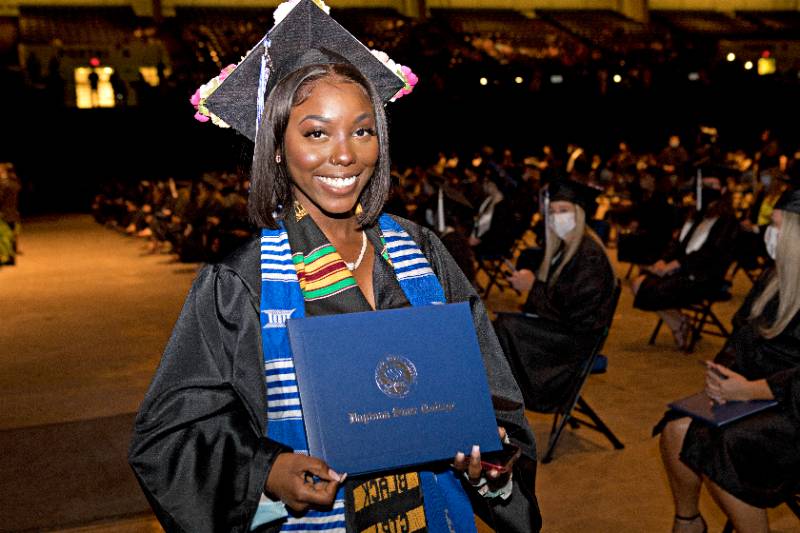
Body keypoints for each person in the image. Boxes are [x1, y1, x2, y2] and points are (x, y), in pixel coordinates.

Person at [128, 2, 541, 532]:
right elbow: (169, 437)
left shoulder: (425, 254)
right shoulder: (241, 284)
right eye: (316, 133)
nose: (345, 155)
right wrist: (269, 472)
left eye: (362, 131)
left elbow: (494, 398)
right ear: (277, 147)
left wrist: (490, 456)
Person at [657, 188, 800, 533]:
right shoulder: (775, 277)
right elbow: (741, 334)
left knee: (722, 449)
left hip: (791, 407)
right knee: (675, 430)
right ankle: (688, 521)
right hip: (759, 395)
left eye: (778, 226)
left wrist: (752, 390)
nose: (769, 234)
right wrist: (724, 373)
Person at [493, 179, 616, 412]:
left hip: (576, 341)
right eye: (551, 212)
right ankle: (501, 399)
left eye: (564, 211)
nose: (556, 217)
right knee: (499, 327)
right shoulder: (564, 249)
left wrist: (534, 287)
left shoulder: (589, 256)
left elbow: (578, 313)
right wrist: (534, 285)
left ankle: (505, 401)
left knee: (504, 328)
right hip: (563, 330)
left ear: (579, 213)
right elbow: (558, 299)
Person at [631, 176, 739, 351]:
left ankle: (679, 325)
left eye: (712, 185)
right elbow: (678, 245)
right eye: (703, 185)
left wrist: (675, 265)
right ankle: (679, 323)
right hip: (683, 270)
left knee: (651, 289)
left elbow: (710, 254)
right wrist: (663, 260)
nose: (706, 189)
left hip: (705, 276)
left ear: (724, 190)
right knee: (638, 284)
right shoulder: (697, 215)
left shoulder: (727, 221)